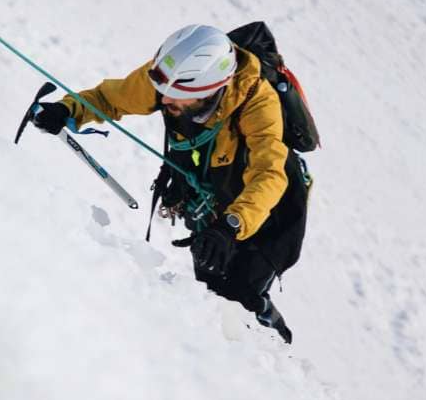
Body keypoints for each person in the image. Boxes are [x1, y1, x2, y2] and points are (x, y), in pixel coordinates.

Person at [33, 24, 309, 342]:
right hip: (213, 198)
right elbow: (108, 99)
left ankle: (276, 352)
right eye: (165, 97)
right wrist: (67, 110)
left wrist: (231, 225)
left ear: (211, 92)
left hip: (275, 211)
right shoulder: (166, 78)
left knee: (240, 294)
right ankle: (229, 353)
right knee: (209, 293)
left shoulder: (259, 105)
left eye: (179, 101)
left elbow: (268, 175)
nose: (166, 104)